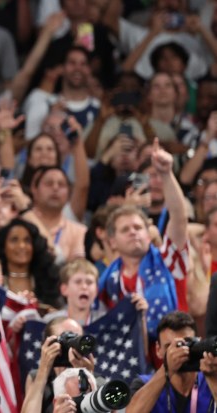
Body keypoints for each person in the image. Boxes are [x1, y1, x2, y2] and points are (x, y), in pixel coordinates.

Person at [99, 139, 189, 339]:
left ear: (149, 234)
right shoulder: (108, 280)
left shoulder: (168, 260)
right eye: (125, 229)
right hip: (128, 362)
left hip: (176, 356)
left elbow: (180, 219)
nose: (133, 232)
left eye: (138, 227)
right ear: (112, 241)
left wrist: (166, 174)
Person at [126, 311, 217, 413]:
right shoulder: (143, 384)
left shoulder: (210, 376)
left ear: (199, 342)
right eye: (169, 347)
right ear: (158, 349)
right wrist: (166, 369)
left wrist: (213, 381)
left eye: (186, 343)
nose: (178, 352)